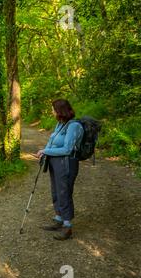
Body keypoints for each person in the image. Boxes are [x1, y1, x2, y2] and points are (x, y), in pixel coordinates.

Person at [35, 99, 84, 240]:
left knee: (64, 192)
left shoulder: (73, 126)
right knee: (55, 191)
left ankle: (67, 226)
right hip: (55, 162)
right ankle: (59, 218)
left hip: (67, 162)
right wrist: (44, 152)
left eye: (53, 109)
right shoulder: (60, 124)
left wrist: (46, 150)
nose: (52, 112)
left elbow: (68, 149)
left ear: (60, 110)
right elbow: (52, 143)